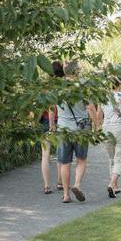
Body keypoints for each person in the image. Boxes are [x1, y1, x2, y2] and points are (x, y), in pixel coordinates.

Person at [50, 60, 98, 203]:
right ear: (77, 71)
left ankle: (65, 195)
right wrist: (97, 125)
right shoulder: (82, 86)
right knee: (81, 159)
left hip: (63, 129)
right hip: (81, 128)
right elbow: (90, 107)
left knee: (64, 162)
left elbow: (52, 108)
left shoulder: (57, 87)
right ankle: (76, 185)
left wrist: (52, 125)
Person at [40, 61, 65, 194]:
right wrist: (53, 125)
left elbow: (44, 106)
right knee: (61, 154)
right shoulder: (64, 86)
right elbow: (53, 108)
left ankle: (46, 185)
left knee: (45, 155)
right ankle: (60, 182)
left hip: (45, 121)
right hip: (60, 121)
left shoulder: (45, 87)